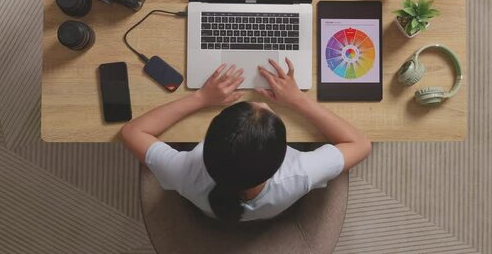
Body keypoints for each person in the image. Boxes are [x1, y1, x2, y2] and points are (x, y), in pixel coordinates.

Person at [120, 58, 372, 222]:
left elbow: (132, 132)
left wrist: (200, 99)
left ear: (209, 140)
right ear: (283, 156)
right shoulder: (298, 174)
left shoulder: (184, 172)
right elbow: (360, 144)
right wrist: (298, 100)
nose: (262, 102)